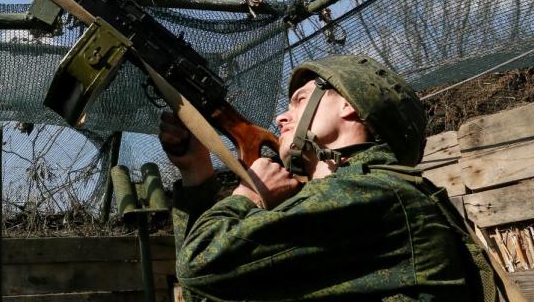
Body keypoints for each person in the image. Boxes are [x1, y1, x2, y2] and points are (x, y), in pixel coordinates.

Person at [160, 55, 500, 301]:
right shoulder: (355, 199)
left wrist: (250, 196)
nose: (281, 116)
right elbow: (209, 291)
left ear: (350, 106)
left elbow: (202, 268)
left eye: (299, 101)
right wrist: (196, 175)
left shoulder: (375, 194)